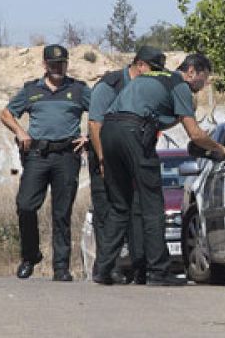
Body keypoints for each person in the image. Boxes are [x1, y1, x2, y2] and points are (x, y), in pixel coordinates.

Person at [93, 53, 225, 286]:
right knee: (152, 205)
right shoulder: (179, 85)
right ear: (192, 71)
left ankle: (104, 269)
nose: (204, 84)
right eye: (204, 78)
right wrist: (220, 149)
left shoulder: (154, 77)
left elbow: (156, 116)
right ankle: (158, 272)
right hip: (133, 133)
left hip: (109, 131)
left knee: (120, 205)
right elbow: (196, 134)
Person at [0, 44, 91, 281]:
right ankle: (30, 256)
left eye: (62, 63)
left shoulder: (78, 89)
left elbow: (101, 113)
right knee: (26, 205)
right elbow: (6, 114)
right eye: (53, 64)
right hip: (37, 156)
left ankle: (61, 267)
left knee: (62, 213)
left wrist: (89, 137)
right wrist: (20, 132)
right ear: (44, 65)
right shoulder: (31, 90)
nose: (58, 68)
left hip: (67, 156)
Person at [87, 46, 165, 284]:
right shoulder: (108, 85)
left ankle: (139, 268)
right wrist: (103, 160)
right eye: (154, 70)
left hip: (131, 158)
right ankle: (106, 269)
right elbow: (95, 126)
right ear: (140, 65)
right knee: (109, 212)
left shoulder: (145, 89)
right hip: (105, 156)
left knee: (137, 212)